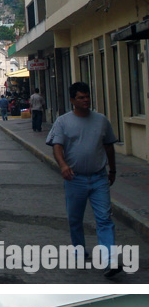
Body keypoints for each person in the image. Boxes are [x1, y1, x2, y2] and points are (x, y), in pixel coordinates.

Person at [46, 81, 121, 277]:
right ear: (72, 100)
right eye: (81, 97)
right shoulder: (63, 121)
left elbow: (109, 146)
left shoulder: (101, 120)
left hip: (99, 178)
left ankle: (110, 261)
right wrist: (63, 165)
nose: (85, 100)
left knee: (104, 218)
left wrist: (112, 170)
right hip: (75, 178)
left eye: (87, 96)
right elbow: (57, 146)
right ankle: (79, 251)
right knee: (75, 219)